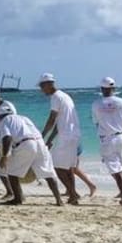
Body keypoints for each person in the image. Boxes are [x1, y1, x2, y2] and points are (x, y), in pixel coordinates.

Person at [0, 111, 64, 206]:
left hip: (26, 144)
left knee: (12, 172)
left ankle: (18, 199)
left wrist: (4, 156)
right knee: (48, 173)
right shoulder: (24, 118)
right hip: (40, 143)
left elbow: (7, 137)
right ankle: (59, 200)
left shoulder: (4, 120)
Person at [38, 73, 82, 205]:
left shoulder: (55, 97)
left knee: (56, 167)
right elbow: (60, 122)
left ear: (48, 84)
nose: (41, 90)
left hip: (66, 135)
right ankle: (73, 196)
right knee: (68, 167)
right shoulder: (65, 96)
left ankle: (73, 194)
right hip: (74, 134)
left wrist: (42, 135)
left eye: (42, 86)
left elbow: (52, 119)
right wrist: (50, 139)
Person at [91, 77, 122, 208]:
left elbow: (97, 123)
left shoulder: (96, 104)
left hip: (107, 138)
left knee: (115, 169)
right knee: (121, 167)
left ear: (101, 88)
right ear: (114, 88)